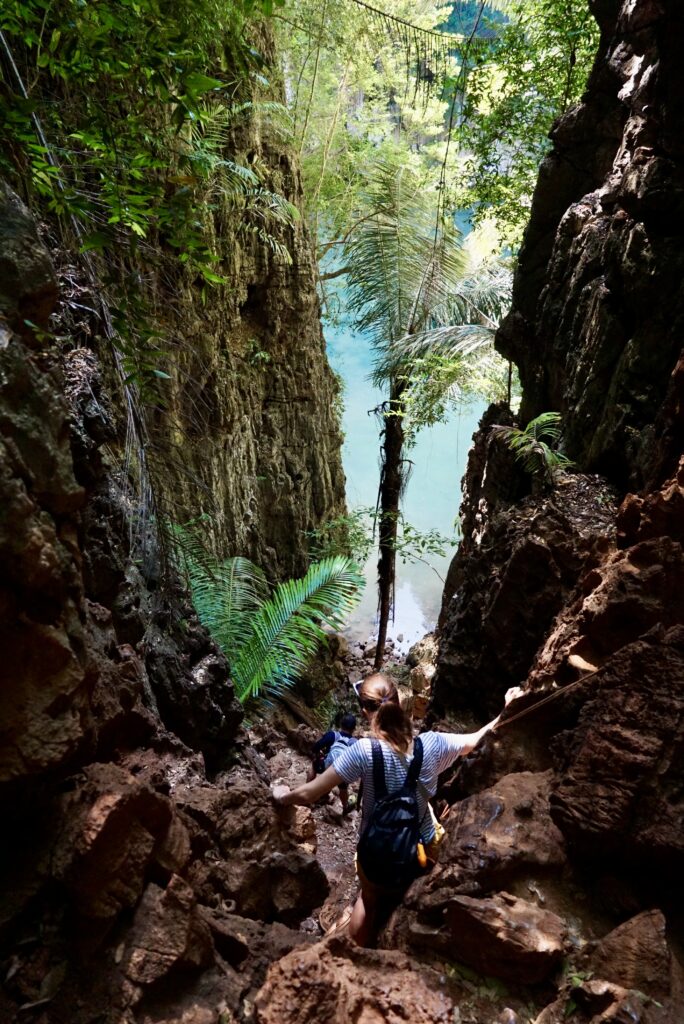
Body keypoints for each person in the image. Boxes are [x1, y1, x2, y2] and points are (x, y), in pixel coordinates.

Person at [273, 673, 516, 946]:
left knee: (367, 901)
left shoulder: (364, 751)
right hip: (418, 851)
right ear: (400, 702)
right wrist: (507, 710)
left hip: (374, 852)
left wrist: (282, 795)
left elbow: (309, 793)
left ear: (366, 712)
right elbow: (475, 741)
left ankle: (356, 952)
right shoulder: (433, 744)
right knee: (404, 897)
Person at [310, 712, 358, 812]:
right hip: (342, 773)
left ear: (341, 725)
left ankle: (309, 791)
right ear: (354, 728)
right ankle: (345, 807)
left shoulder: (333, 735)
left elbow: (315, 747)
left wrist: (319, 754)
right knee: (343, 789)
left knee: (314, 765)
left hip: (326, 768)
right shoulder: (354, 742)